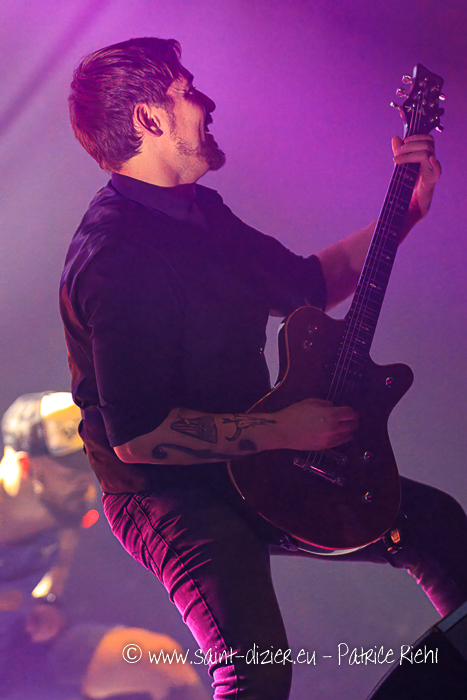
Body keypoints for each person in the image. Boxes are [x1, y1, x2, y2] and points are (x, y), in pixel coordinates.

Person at [60, 37, 467, 699]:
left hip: (256, 457)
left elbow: (307, 284)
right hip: (168, 491)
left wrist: (407, 212)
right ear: (148, 119)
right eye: (186, 92)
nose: (206, 103)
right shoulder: (114, 256)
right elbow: (138, 435)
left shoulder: (201, 212)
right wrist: (284, 431)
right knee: (255, 669)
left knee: (438, 527)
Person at [0, 391, 209, 700]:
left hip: (21, 647)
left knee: (161, 660)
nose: (88, 485)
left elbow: (63, 553)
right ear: (26, 465)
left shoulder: (65, 507)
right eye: (73, 472)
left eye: (93, 469)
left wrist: (49, 601)